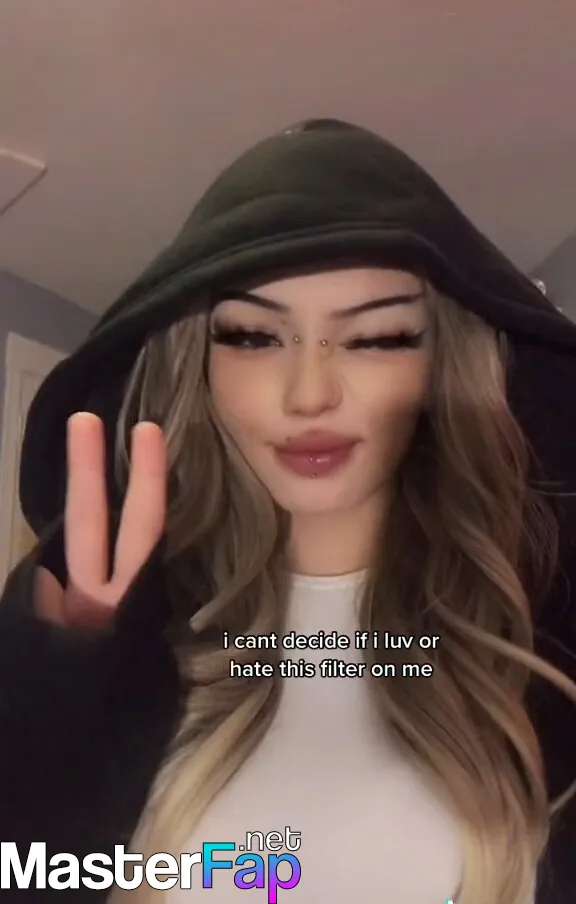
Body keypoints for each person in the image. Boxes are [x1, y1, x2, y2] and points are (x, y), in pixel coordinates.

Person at [0, 118, 575, 904]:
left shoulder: (538, 645)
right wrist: (55, 708)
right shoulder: (114, 636)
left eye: (377, 338)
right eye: (252, 336)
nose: (310, 394)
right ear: (199, 367)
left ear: (445, 365)